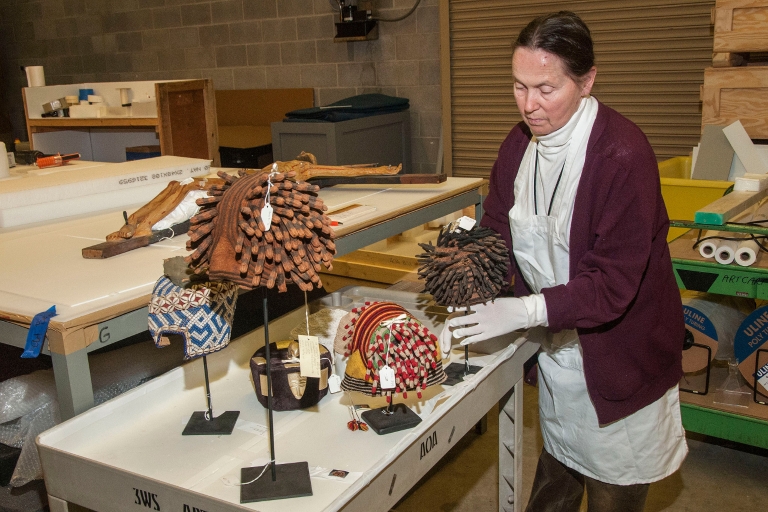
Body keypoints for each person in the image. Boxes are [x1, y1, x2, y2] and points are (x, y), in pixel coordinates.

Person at [442, 11, 688, 512]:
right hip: (560, 353)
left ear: (587, 81)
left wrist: (526, 312)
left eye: (545, 89)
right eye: (518, 86)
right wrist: (468, 282)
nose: (529, 105)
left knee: (612, 492)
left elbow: (613, 284)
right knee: (556, 474)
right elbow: (498, 229)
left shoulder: (622, 155)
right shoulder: (519, 146)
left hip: (620, 359)